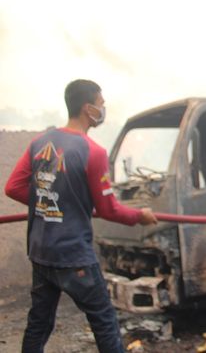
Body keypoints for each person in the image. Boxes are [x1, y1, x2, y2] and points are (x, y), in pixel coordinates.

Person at [4, 79, 158, 353]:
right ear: (88, 108)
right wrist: (140, 216)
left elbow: (13, 187)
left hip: (40, 252)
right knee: (104, 321)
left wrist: (50, 201)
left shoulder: (40, 142)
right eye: (101, 105)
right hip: (73, 255)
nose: (103, 109)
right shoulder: (93, 151)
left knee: (38, 323)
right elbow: (109, 209)